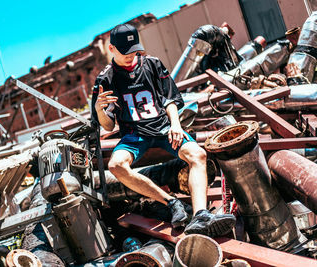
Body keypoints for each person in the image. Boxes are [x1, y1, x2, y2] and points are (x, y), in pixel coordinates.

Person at [91, 23, 236, 237]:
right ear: (112, 49)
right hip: (134, 135)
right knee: (116, 165)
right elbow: (108, 125)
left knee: (198, 155)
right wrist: (99, 109)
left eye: (134, 51)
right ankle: (171, 202)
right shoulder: (105, 79)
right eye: (125, 53)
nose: (131, 56)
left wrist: (176, 125)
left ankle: (200, 215)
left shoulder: (152, 64)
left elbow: (169, 99)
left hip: (163, 127)